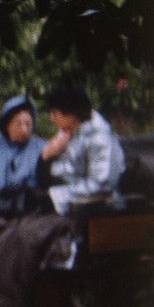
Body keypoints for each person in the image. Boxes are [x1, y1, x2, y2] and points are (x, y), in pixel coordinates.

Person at [39, 85, 125, 214]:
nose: (51, 119)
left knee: (29, 229)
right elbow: (59, 174)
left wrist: (54, 196)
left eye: (55, 113)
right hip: (68, 205)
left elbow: (102, 185)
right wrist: (45, 158)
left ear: (72, 114)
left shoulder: (100, 137)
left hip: (99, 210)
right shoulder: (68, 132)